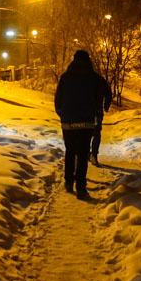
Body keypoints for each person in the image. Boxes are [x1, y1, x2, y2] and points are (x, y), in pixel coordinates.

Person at [54, 50, 105, 200]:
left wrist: (63, 115)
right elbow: (98, 99)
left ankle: (69, 181)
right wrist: (97, 114)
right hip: (86, 121)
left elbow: (58, 100)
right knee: (83, 154)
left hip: (68, 122)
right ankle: (81, 187)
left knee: (70, 151)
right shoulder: (93, 78)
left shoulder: (65, 77)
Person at [90, 71, 113, 166]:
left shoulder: (80, 78)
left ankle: (85, 153)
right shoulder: (99, 79)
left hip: (83, 111)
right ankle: (94, 154)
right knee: (96, 133)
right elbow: (108, 93)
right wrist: (106, 106)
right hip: (97, 111)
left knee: (85, 132)